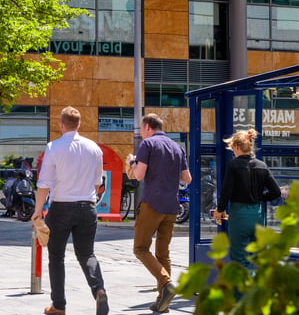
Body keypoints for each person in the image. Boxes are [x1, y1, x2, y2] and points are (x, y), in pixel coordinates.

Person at [31, 106, 109, 315]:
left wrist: (38, 210)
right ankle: (99, 289)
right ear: (79, 124)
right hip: (87, 207)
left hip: (62, 207)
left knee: (56, 256)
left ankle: (59, 305)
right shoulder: (94, 148)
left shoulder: (53, 147)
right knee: (87, 254)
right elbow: (97, 183)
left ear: (61, 124)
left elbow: (44, 183)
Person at [125, 113, 192, 313]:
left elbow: (139, 175)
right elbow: (186, 178)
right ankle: (162, 302)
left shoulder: (148, 145)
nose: (141, 134)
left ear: (147, 127)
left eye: (141, 129)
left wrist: (131, 162)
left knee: (140, 248)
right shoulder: (177, 147)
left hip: (152, 204)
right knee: (163, 254)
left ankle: (166, 281)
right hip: (172, 207)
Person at [213, 129, 281, 268]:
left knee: (239, 259)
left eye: (232, 148)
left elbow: (226, 190)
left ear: (237, 147)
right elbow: (276, 192)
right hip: (258, 216)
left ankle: (244, 288)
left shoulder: (233, 165)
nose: (233, 151)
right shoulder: (262, 166)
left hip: (239, 215)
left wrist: (219, 210)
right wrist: (259, 196)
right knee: (257, 257)